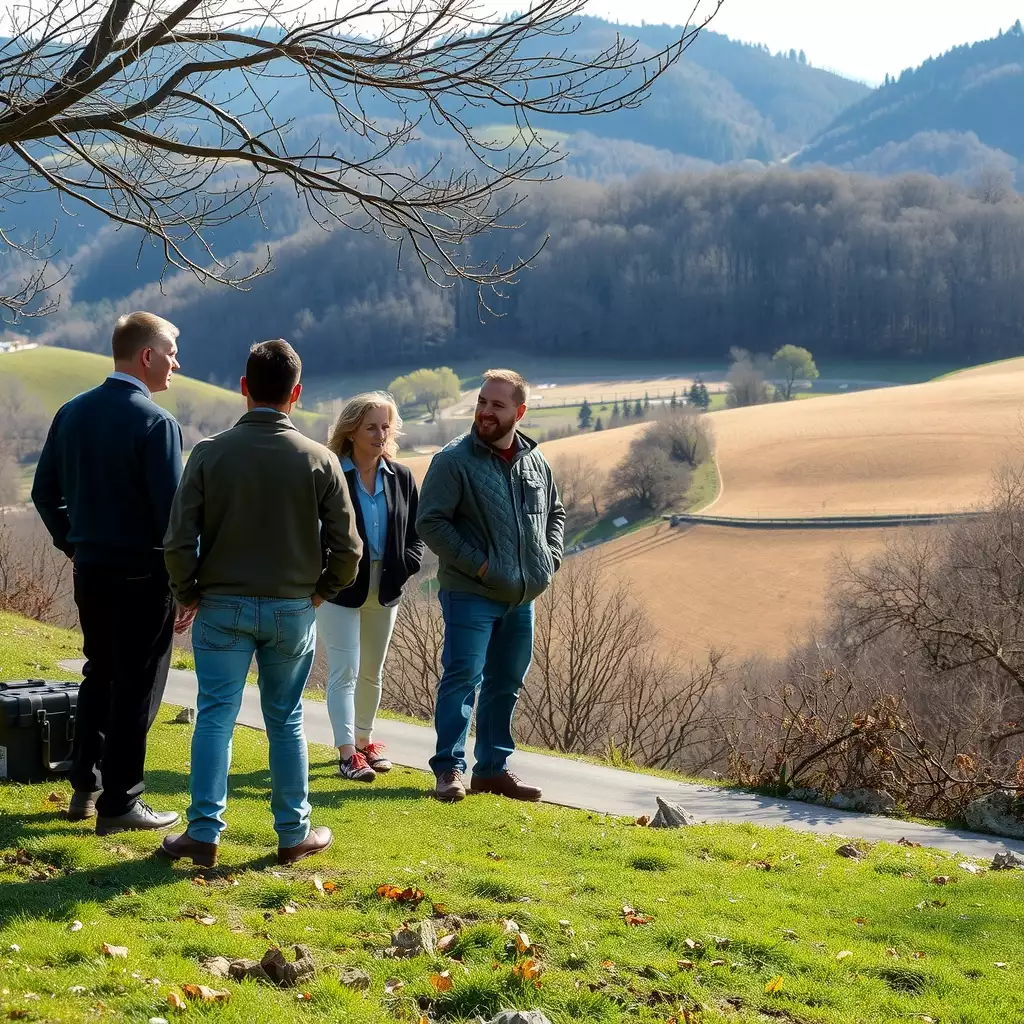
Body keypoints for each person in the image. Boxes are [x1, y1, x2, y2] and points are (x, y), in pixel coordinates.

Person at [160, 339, 361, 867]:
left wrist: (187, 593)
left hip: (221, 605)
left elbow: (179, 542)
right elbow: (349, 549)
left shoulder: (208, 453)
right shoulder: (320, 460)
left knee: (215, 716)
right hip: (292, 608)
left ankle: (203, 833)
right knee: (286, 718)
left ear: (244, 387)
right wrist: (320, 592)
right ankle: (293, 834)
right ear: (296, 393)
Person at [32, 311, 188, 836]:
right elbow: (173, 517)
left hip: (92, 571)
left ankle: (86, 784)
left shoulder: (71, 412)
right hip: (145, 574)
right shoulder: (156, 422)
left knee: (99, 672)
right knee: (137, 686)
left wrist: (72, 544)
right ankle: (120, 802)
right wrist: (187, 584)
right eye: (170, 353)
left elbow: (43, 493)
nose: (175, 363)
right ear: (146, 356)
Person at [416, 368, 565, 803]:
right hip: (471, 593)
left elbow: (555, 514)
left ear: (519, 411)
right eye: (482, 401)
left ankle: (493, 770)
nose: (485, 411)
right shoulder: (453, 461)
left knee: (507, 682)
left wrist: (548, 561)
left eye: (497, 405)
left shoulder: (535, 461)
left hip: (522, 598)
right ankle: (449, 770)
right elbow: (431, 522)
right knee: (462, 678)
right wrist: (481, 568)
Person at [316, 393, 424, 781]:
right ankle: (347, 754)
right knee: (345, 669)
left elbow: (416, 534)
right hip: (339, 588)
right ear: (351, 430)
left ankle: (364, 743)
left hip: (386, 587)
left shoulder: (402, 477)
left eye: (386, 426)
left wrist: (405, 565)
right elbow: (315, 533)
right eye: (371, 427)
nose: (381, 434)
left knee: (372, 672)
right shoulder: (331, 474)